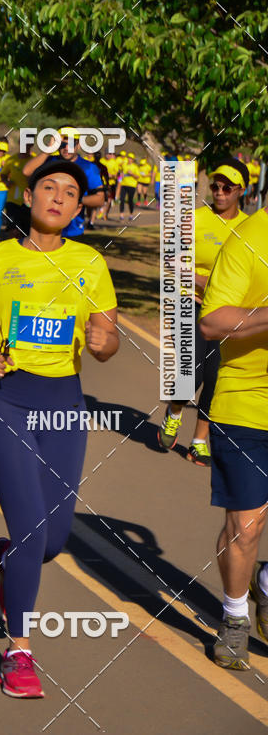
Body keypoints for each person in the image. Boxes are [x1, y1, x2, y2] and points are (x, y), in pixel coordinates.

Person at [0, 160, 119, 698]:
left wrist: (101, 343)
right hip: (7, 403)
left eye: (72, 192)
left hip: (64, 404)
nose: (60, 198)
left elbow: (108, 340)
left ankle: (7, 561)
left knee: (53, 540)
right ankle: (18, 653)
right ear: (29, 194)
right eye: (51, 188)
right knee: (31, 532)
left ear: (77, 207)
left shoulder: (90, 263)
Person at [198, 193, 268, 671]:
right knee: (246, 526)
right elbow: (211, 321)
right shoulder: (249, 239)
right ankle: (235, 616)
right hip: (247, 404)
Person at [157, 158, 249, 466]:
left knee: (215, 376)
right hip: (190, 303)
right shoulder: (194, 219)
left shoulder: (248, 227)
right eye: (215, 186)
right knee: (191, 371)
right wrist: (201, 280)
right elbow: (171, 261)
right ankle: (174, 410)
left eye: (227, 187)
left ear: (241, 191)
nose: (219, 192)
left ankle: (198, 441)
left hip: (227, 311)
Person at [22, 129, 105, 241]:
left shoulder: (88, 167)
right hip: (45, 229)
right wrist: (48, 149)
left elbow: (99, 200)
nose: (66, 148)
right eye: (62, 144)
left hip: (72, 230)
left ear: (79, 145)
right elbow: (26, 172)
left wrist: (73, 199)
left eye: (71, 144)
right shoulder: (49, 161)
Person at [0, 141, 35, 237]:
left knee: (27, 232)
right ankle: (12, 250)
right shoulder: (11, 160)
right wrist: (6, 182)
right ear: (19, 143)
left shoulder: (34, 161)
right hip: (12, 201)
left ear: (31, 145)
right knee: (13, 229)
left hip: (28, 202)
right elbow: (3, 174)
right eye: (23, 143)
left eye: (28, 144)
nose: (25, 146)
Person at [117, 152, 139, 221]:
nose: (129, 159)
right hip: (124, 185)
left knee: (130, 200)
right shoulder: (124, 166)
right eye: (128, 158)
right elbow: (121, 175)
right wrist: (119, 180)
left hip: (132, 185)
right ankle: (121, 215)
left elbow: (137, 177)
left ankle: (131, 214)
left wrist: (132, 174)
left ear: (133, 160)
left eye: (130, 158)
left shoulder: (135, 167)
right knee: (122, 199)